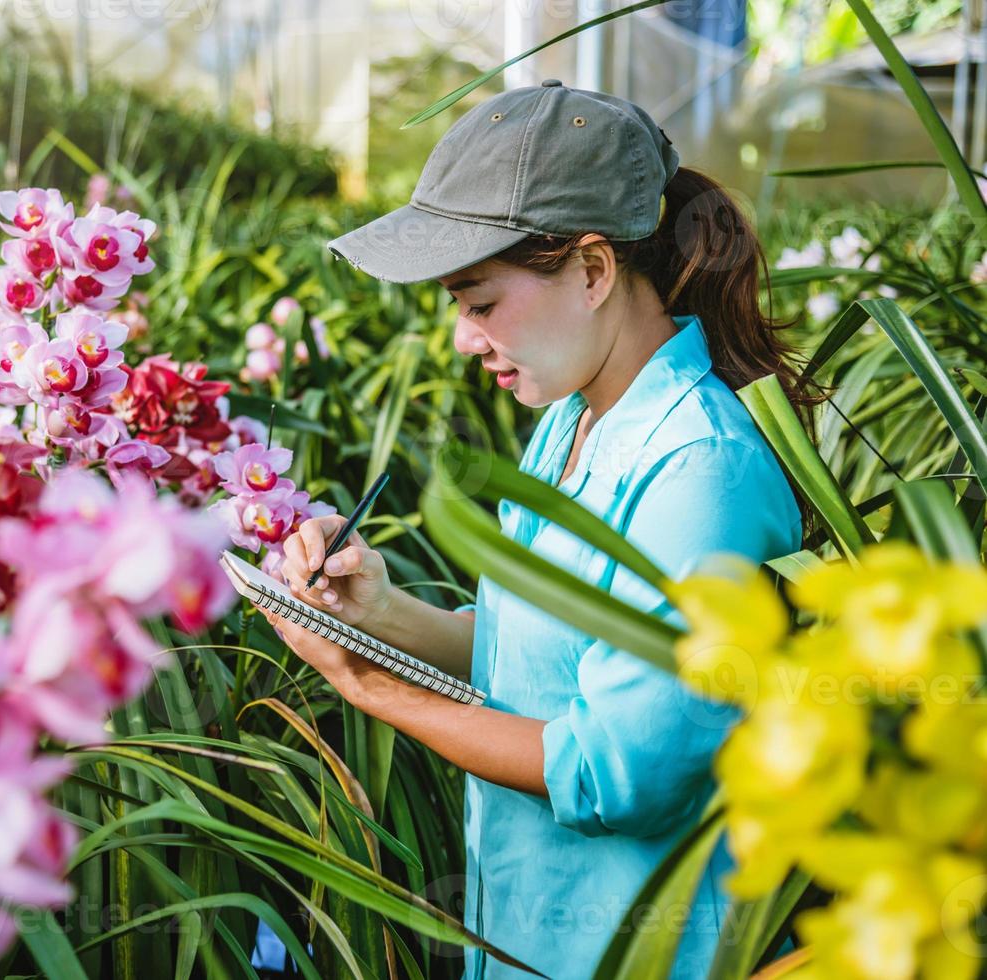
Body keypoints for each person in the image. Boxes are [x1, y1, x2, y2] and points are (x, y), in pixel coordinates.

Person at [261, 79, 827, 979]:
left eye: (479, 303)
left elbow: (614, 771)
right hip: (533, 936)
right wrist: (382, 612)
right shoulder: (575, 417)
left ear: (595, 271)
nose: (461, 337)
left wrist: (375, 690)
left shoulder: (698, 472)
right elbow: (543, 664)